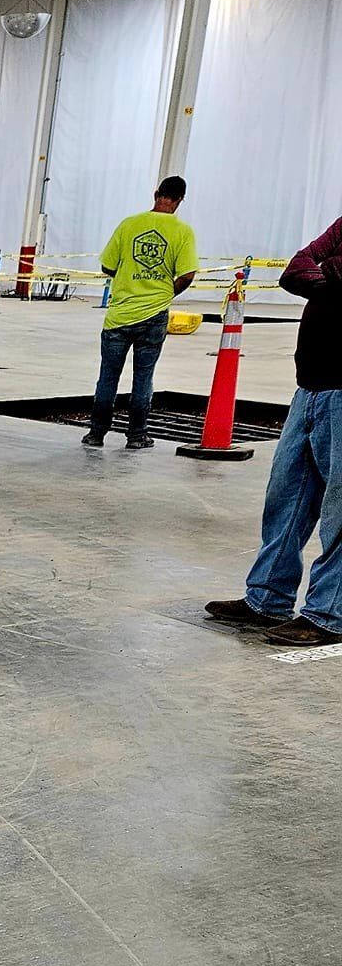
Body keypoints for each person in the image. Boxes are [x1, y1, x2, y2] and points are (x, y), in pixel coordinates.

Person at [205, 213, 342, 648]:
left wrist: (328, 271)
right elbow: (296, 270)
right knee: (286, 498)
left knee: (340, 512)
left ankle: (328, 612)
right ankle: (266, 597)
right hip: (311, 387)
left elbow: (316, 271)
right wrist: (330, 272)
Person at [84, 176, 199, 448]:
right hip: (154, 316)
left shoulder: (128, 225)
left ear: (156, 193)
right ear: (180, 200)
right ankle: (136, 436)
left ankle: (96, 433)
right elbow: (187, 274)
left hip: (119, 316)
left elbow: (107, 267)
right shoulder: (183, 232)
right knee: (143, 377)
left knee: (108, 377)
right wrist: (165, 292)